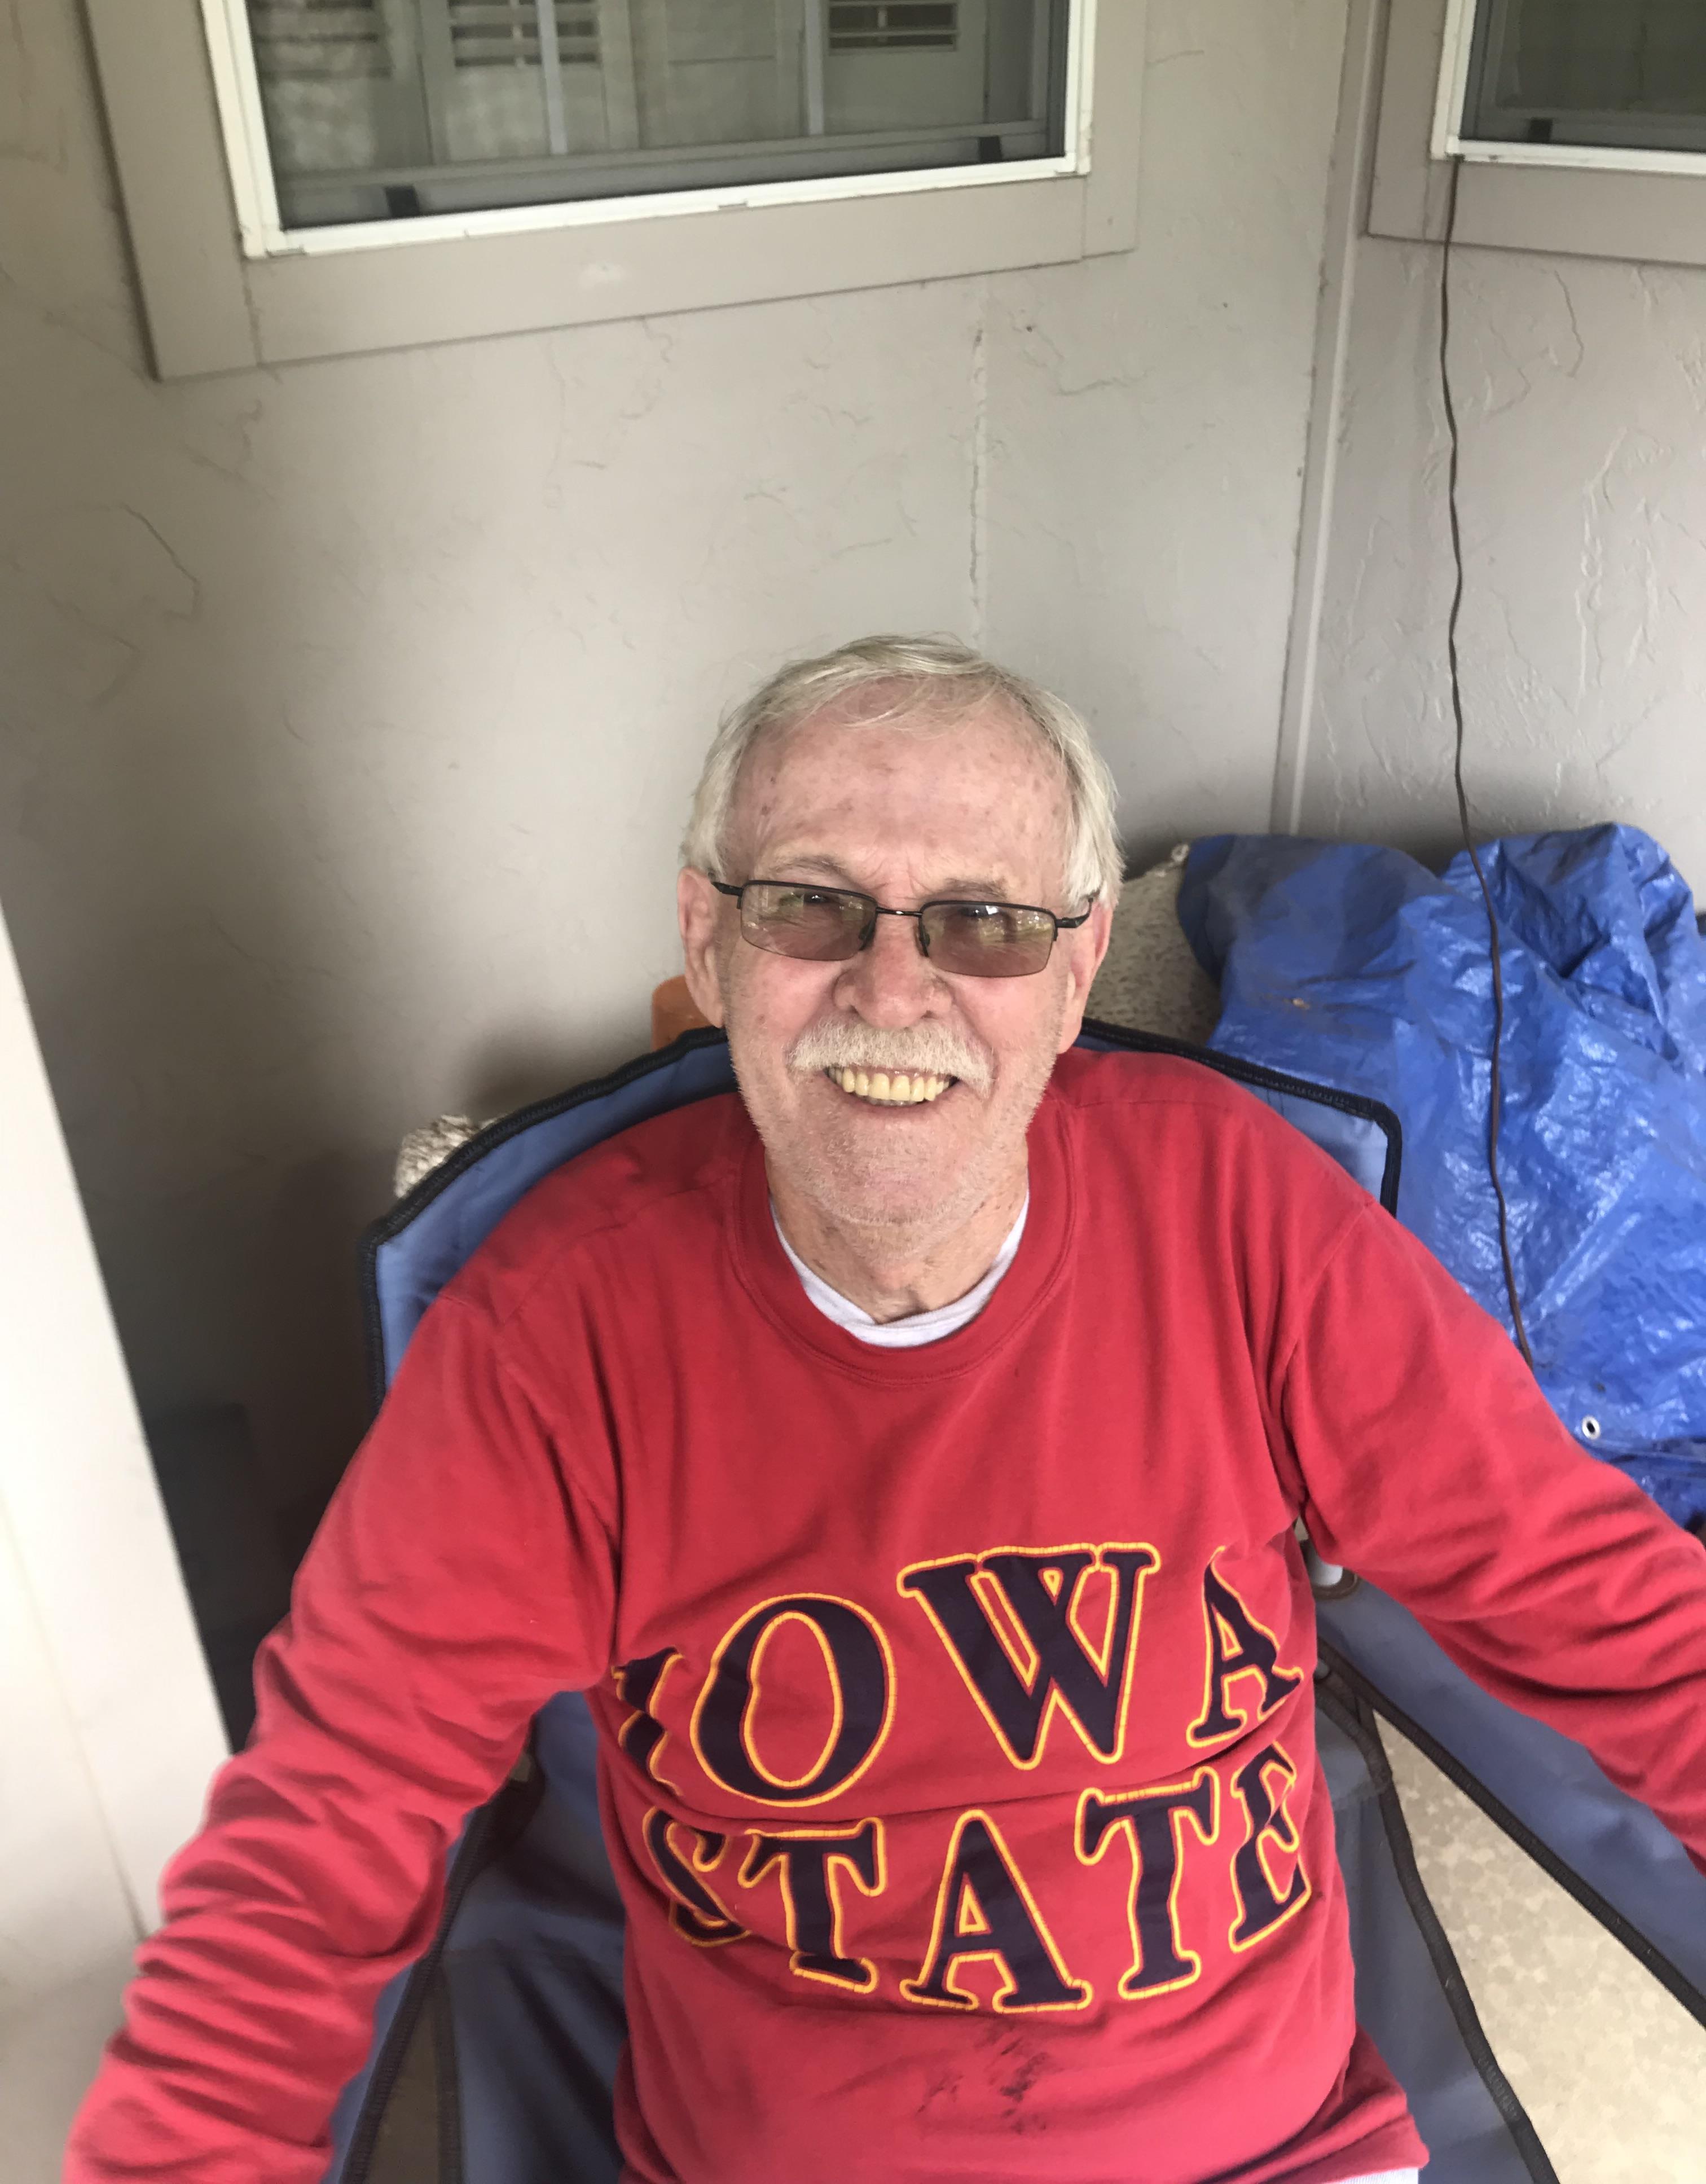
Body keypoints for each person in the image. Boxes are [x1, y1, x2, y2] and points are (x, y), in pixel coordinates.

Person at [68, 636, 1706, 2184]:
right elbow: (322, 1833)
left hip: (1268, 2156)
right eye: (813, 906)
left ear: (1075, 970)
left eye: (983, 921)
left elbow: (1601, 1607)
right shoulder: (552, 1325)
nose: (896, 988)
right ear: (708, 943)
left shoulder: (1241, 1208)